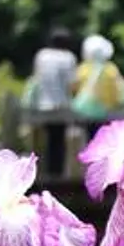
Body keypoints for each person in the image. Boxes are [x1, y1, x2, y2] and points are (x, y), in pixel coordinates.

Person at [28, 27, 77, 176]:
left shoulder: (41, 55)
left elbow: (36, 78)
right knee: (58, 142)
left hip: (41, 105)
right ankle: (56, 173)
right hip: (60, 105)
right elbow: (71, 84)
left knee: (43, 142)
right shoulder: (69, 57)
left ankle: (40, 172)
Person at [73, 34, 124, 137]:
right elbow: (118, 91)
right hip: (107, 112)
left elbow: (75, 88)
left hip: (87, 112)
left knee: (89, 139)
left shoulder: (83, 69)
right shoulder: (111, 69)